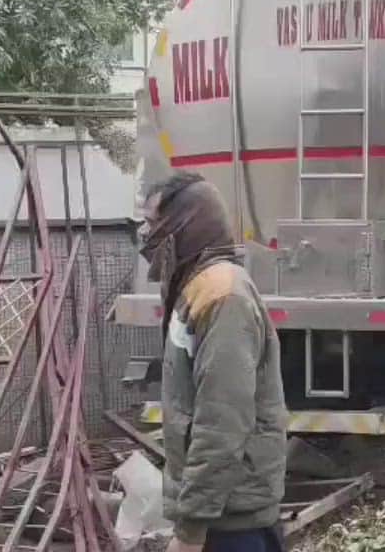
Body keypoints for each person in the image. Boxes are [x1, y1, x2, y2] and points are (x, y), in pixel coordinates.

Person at [139, 172, 288, 552]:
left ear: (185, 225)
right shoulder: (197, 287)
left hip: (231, 521)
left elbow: (222, 421)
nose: (144, 234)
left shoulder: (222, 295)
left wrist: (190, 531)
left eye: (153, 224)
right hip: (220, 512)